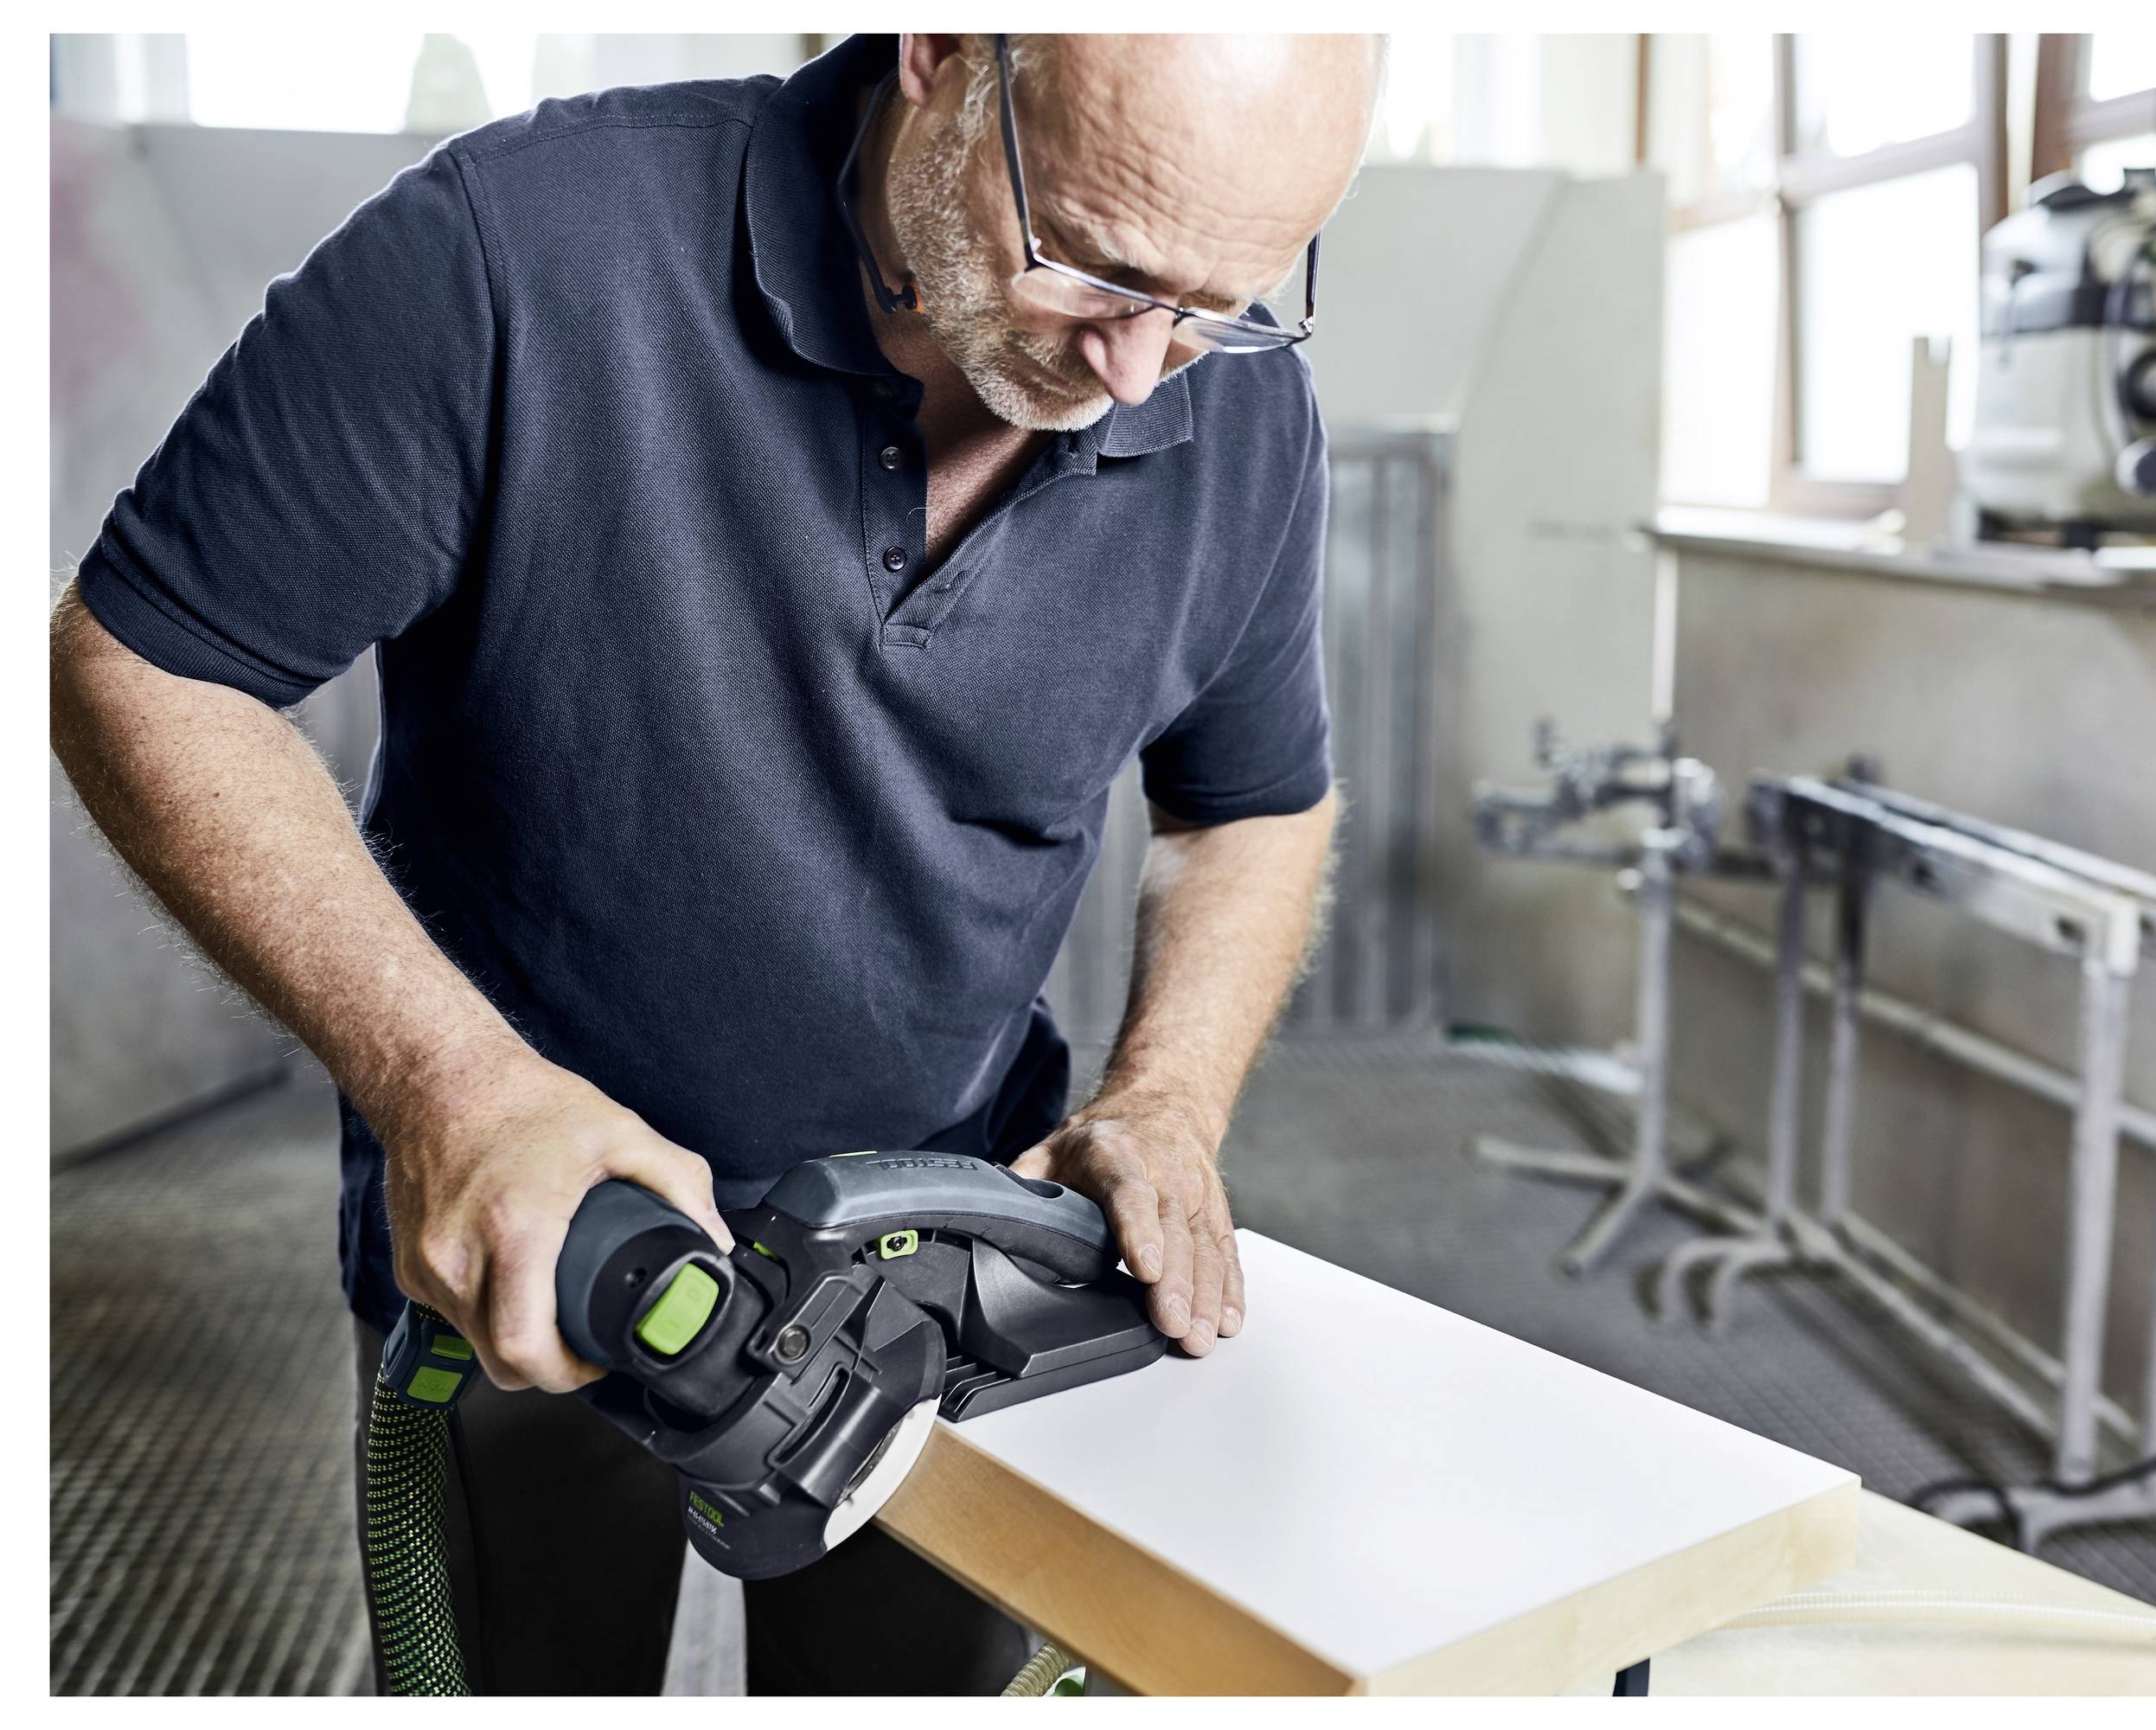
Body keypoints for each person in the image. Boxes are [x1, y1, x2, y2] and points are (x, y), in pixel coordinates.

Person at [50, 30, 1383, 1694]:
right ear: (942, 57)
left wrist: (1169, 1094)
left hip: (947, 1264)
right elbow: (153, 661)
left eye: (1220, 300)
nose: (1139, 366)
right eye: (1093, 264)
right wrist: (451, 1087)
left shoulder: (1239, 407)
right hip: (539, 1243)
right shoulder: (520, 251)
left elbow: (1249, 802)